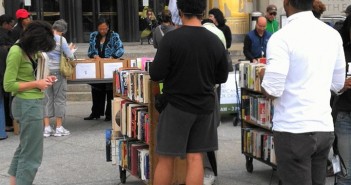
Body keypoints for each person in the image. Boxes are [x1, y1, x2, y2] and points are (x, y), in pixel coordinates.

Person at [260, 0, 346, 184]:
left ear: (286, 3)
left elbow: (273, 89)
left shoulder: (281, 37)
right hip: (323, 126)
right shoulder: (332, 35)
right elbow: (338, 84)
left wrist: (262, 77)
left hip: (294, 129)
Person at [149, 0, 229, 184]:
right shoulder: (214, 40)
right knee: (196, 158)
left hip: (176, 106)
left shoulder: (171, 39)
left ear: (180, 10)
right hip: (205, 106)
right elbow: (222, 76)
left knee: (166, 158)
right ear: (203, 11)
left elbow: (156, 73)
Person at [3, 20, 56, 185]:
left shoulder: (32, 51)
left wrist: (45, 79)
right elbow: (8, 85)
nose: (41, 50)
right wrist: (36, 84)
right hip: (27, 104)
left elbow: (29, 76)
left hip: (31, 103)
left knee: (25, 149)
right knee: (32, 154)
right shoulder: (16, 52)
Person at [201, 17, 227, 185]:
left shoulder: (178, 36)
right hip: (211, 89)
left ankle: (208, 171)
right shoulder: (218, 36)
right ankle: (210, 171)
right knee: (209, 133)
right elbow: (223, 74)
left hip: (187, 98)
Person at [86, 18, 124, 122]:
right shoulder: (93, 35)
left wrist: (112, 57)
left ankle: (109, 114)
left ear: (108, 27)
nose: (103, 31)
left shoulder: (114, 36)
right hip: (97, 65)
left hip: (109, 66)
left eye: (105, 29)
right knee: (96, 90)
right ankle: (96, 112)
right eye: (100, 29)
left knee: (110, 91)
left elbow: (120, 49)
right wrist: (94, 55)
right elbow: (90, 50)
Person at [43, 19, 74, 137]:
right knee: (59, 98)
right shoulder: (62, 40)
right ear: (62, 31)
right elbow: (70, 56)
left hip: (45, 71)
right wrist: (70, 49)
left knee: (46, 98)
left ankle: (46, 127)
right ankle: (59, 127)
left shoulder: (44, 38)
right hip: (57, 71)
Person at [333, 4, 351, 185]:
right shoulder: (341, 52)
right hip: (345, 114)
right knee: (346, 172)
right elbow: (330, 84)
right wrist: (341, 85)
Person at [0, 14, 15, 133]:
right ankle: (7, 123)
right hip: (4, 70)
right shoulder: (4, 36)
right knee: (5, 99)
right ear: (5, 24)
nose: (12, 27)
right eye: (11, 24)